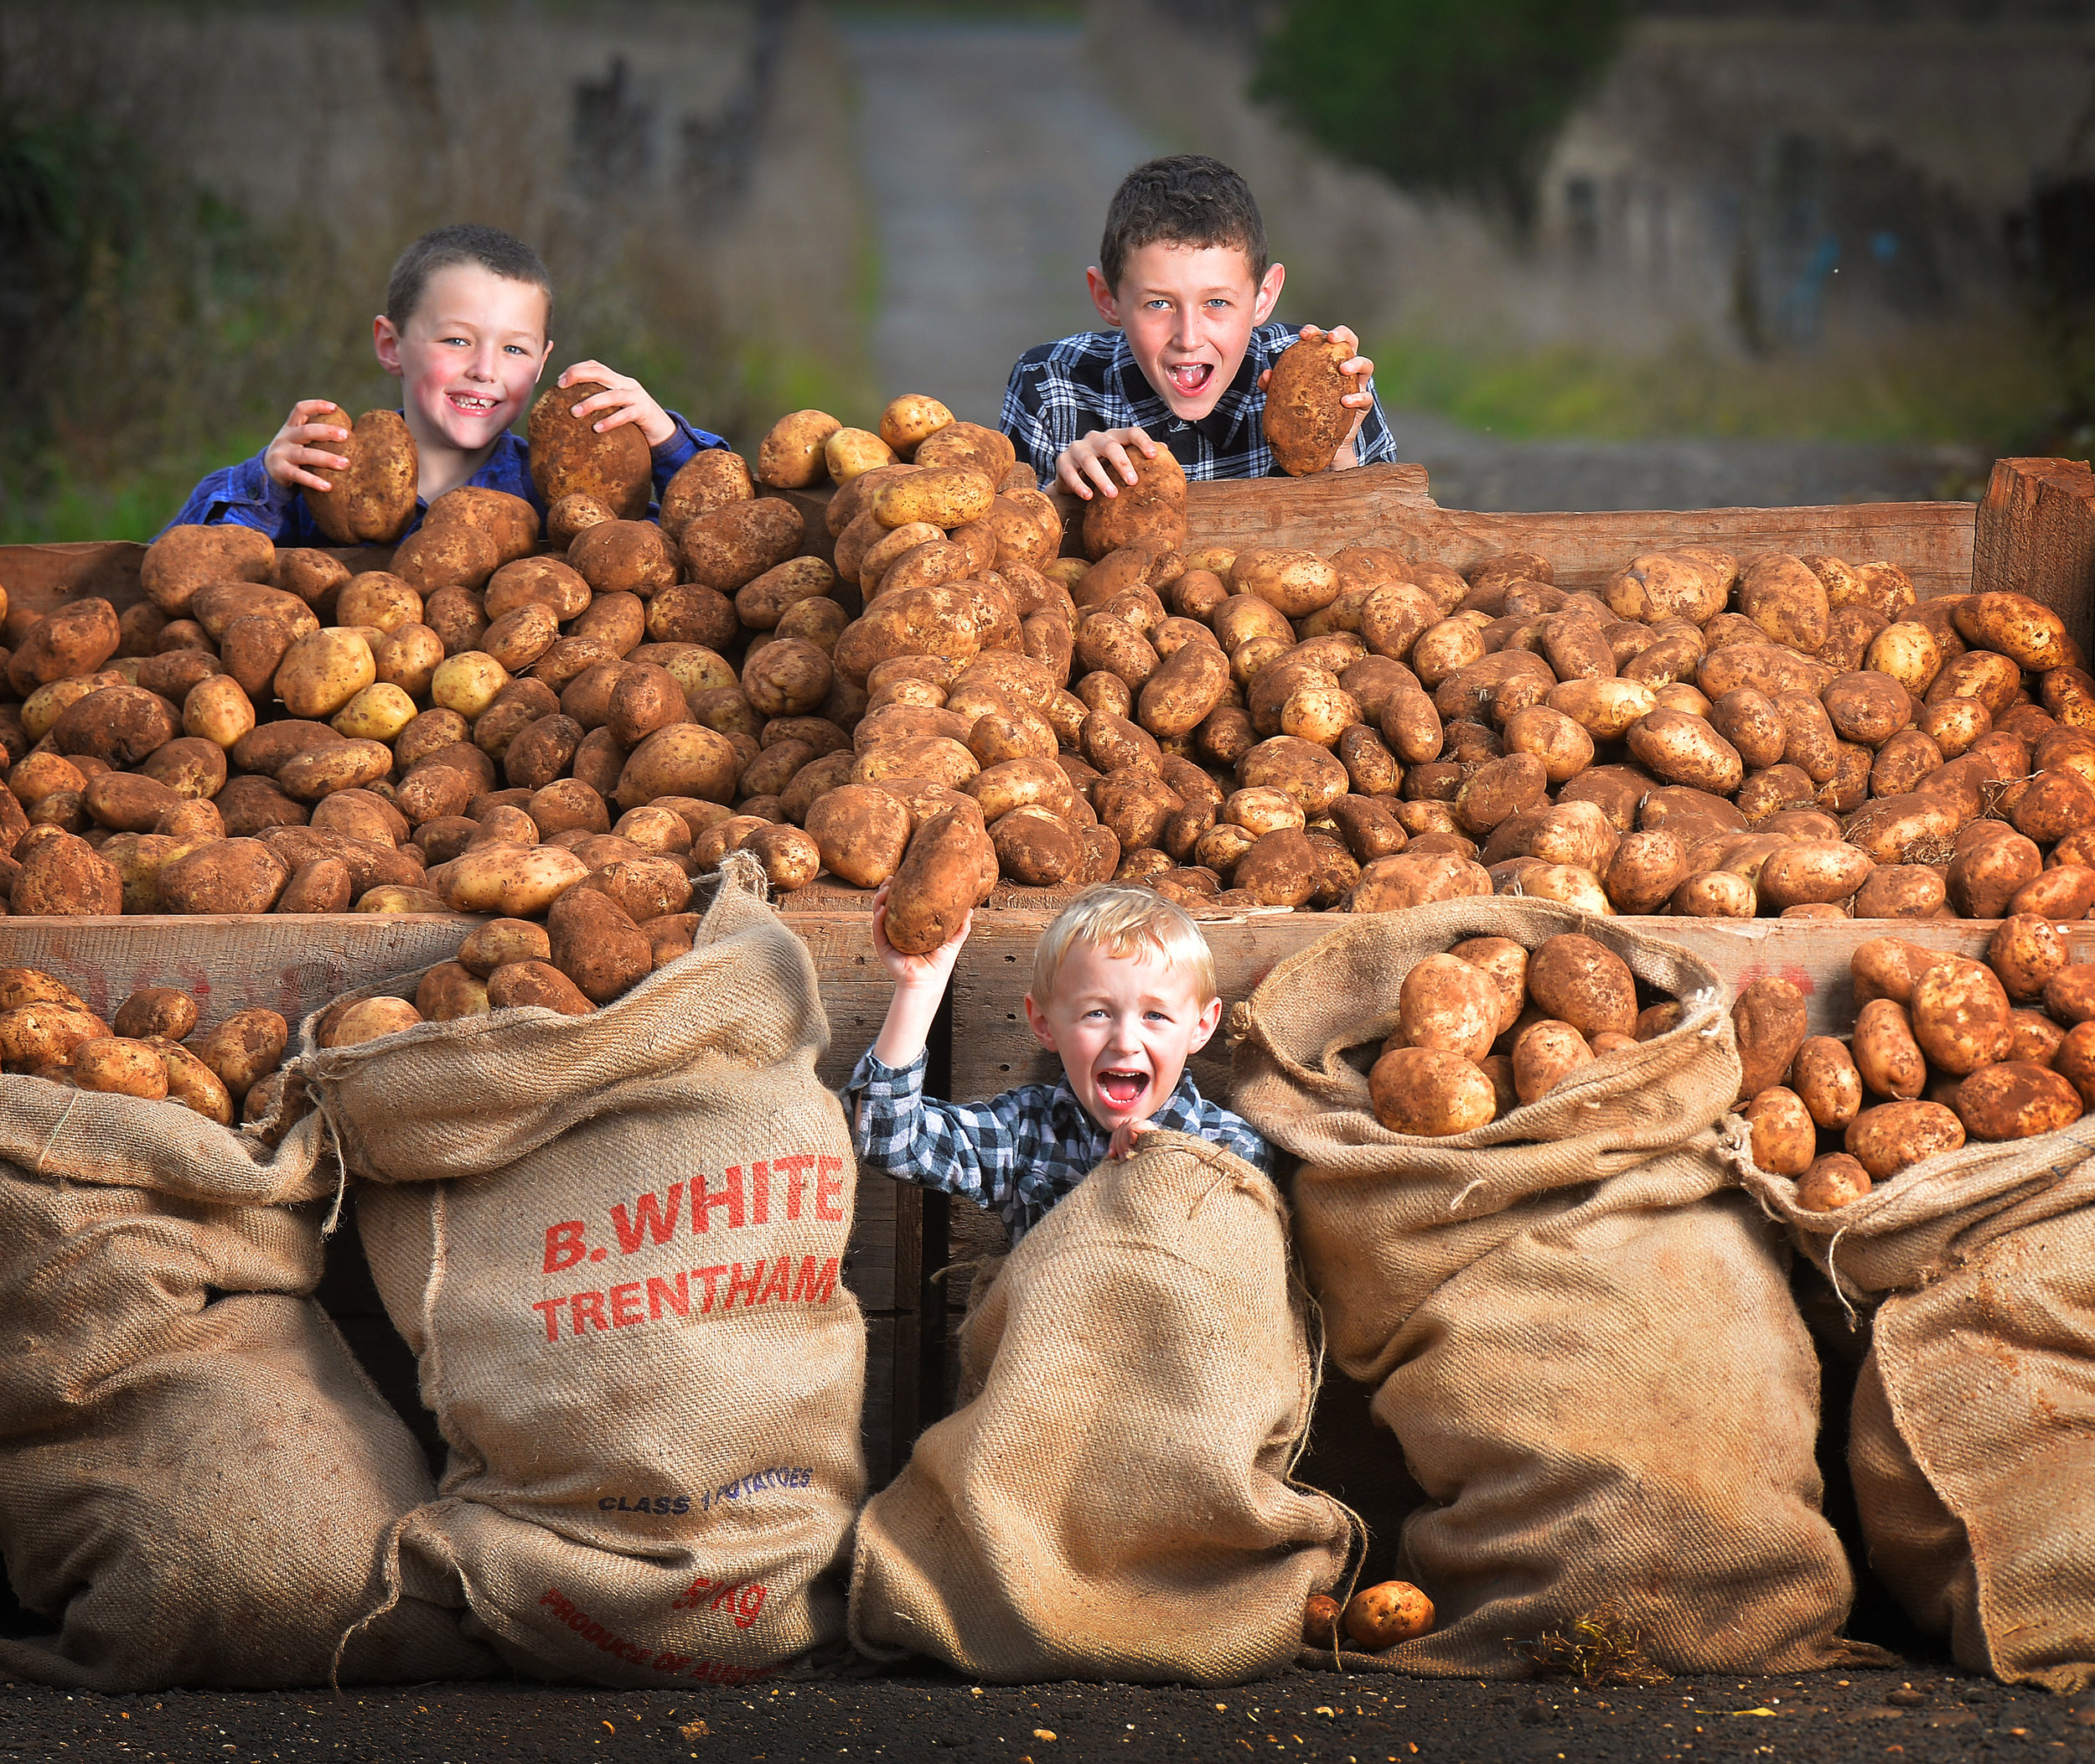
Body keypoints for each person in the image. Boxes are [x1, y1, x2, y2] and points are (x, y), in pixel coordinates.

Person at [165, 223, 724, 540]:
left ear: (542, 364)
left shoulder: (557, 494)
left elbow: (715, 536)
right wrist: (267, 480)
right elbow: (172, 567)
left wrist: (665, 442)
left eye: (513, 349)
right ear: (391, 345)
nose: (485, 368)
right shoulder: (321, 485)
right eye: (456, 340)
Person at [847, 883, 1275, 1245]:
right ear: (1045, 1024)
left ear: (1201, 1027)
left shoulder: (1230, 1148)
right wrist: (920, 988)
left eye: (1155, 1016)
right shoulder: (1026, 1133)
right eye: (1096, 1013)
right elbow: (890, 1138)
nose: (1126, 1042)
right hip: (1049, 1341)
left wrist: (1171, 1163)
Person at [1001, 153, 1396, 499]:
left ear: (1264, 296)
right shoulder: (1050, 387)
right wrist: (1059, 492)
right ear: (1108, 299)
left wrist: (1340, 458)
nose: (1189, 338)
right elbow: (1000, 553)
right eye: (1158, 303)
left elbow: (1394, 549)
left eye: (1217, 302)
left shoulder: (1337, 383)